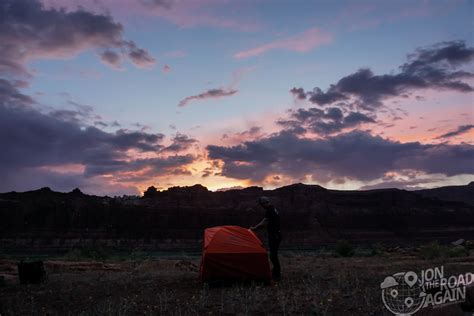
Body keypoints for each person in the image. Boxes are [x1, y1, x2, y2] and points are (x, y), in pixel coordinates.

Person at [250, 196, 282, 280]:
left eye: (261, 205)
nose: (261, 207)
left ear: (264, 203)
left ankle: (277, 275)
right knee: (273, 254)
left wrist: (254, 228)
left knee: (273, 255)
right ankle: (275, 272)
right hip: (277, 234)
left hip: (275, 235)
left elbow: (264, 222)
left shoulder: (270, 210)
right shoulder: (273, 209)